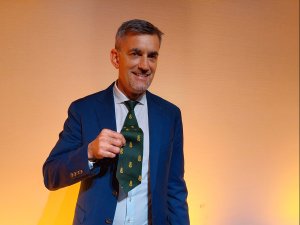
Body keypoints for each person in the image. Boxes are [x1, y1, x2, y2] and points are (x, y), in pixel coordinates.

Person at [43, 19, 189, 225]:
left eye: (152, 56)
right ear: (115, 58)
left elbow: (175, 188)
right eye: (136, 53)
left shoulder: (170, 115)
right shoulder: (84, 110)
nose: (145, 65)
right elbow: (51, 175)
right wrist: (89, 153)